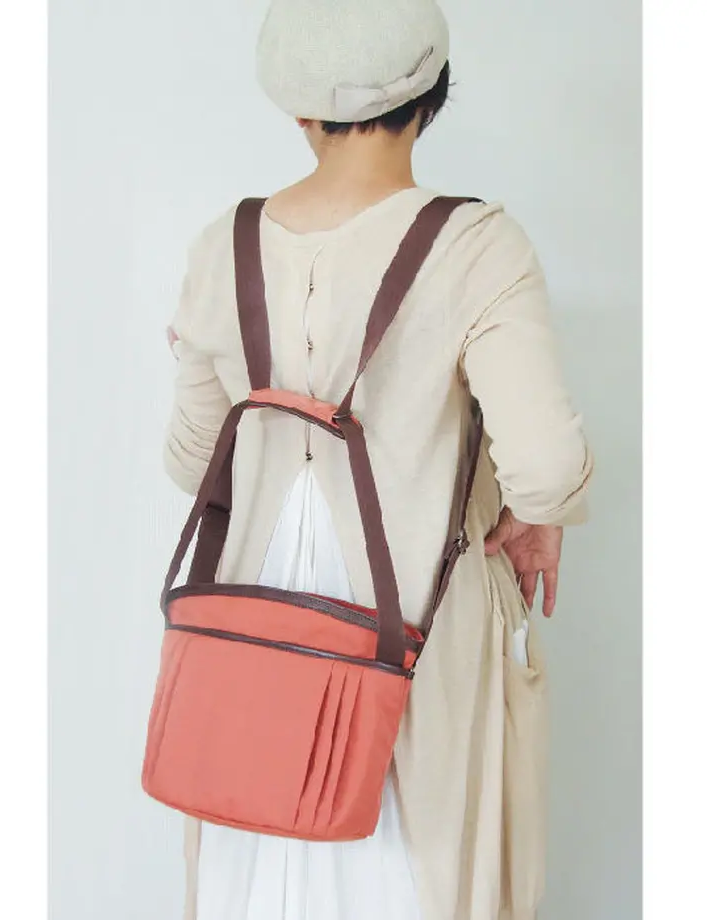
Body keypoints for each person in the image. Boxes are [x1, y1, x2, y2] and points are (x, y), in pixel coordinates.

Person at [162, 2, 593, 918]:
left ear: (299, 110)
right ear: (433, 92)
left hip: (255, 629)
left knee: (259, 852)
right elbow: (547, 464)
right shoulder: (477, 246)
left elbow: (194, 459)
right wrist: (535, 517)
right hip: (407, 624)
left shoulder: (223, 245)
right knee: (408, 863)